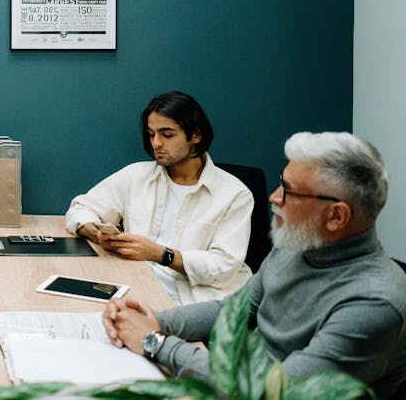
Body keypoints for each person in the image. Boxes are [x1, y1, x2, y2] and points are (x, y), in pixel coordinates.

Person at [103, 131, 406, 397]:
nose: (274, 198)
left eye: (289, 190)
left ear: (336, 216)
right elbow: (234, 310)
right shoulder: (296, 246)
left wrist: (155, 342)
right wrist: (156, 321)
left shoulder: (372, 303)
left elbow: (274, 391)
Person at [64, 91, 252, 304]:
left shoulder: (235, 193)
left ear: (196, 135)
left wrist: (162, 255)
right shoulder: (136, 176)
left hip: (199, 301)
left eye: (167, 134)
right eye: (151, 134)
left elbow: (224, 266)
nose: (156, 143)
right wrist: (96, 233)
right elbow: (80, 208)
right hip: (137, 286)